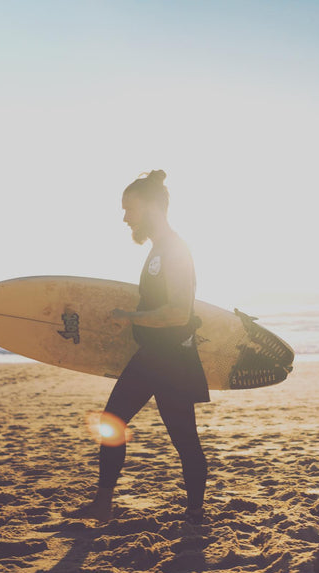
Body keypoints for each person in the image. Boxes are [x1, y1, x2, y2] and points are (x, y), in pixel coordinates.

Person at [77, 170, 210, 524]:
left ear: (151, 207)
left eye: (129, 209)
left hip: (173, 360)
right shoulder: (158, 250)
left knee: (184, 440)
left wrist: (129, 317)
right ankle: (103, 504)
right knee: (112, 421)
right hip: (152, 356)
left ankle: (195, 511)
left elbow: (179, 312)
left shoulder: (175, 250)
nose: (124, 217)